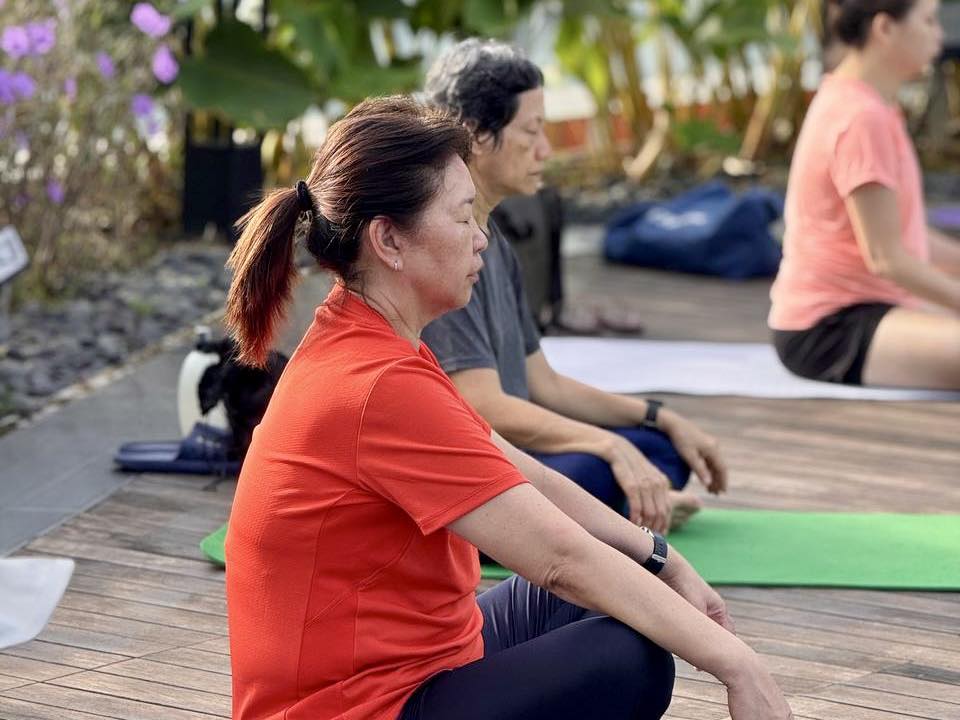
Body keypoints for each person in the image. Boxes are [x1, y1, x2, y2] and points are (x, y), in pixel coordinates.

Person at [223, 96, 791, 720]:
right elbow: (559, 560)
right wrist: (737, 665)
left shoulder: (368, 336)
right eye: (463, 217)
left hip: (415, 663)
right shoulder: (376, 383)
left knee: (629, 584)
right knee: (628, 659)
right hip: (352, 707)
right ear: (388, 240)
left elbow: (523, 472)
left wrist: (663, 557)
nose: (482, 238)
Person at [421, 39, 727, 534]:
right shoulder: (446, 245)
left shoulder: (494, 238)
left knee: (659, 448)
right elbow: (483, 406)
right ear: (475, 134)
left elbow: (545, 384)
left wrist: (659, 416)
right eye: (532, 131)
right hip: (467, 475)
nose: (546, 150)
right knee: (599, 468)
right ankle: (607, 509)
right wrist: (608, 446)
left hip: (516, 454)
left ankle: (617, 502)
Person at [770, 0, 960, 389]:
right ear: (885, 29)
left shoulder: (870, 103)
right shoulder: (860, 117)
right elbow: (886, 259)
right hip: (829, 329)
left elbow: (908, 239)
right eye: (928, 21)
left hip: (870, 310)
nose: (939, 36)